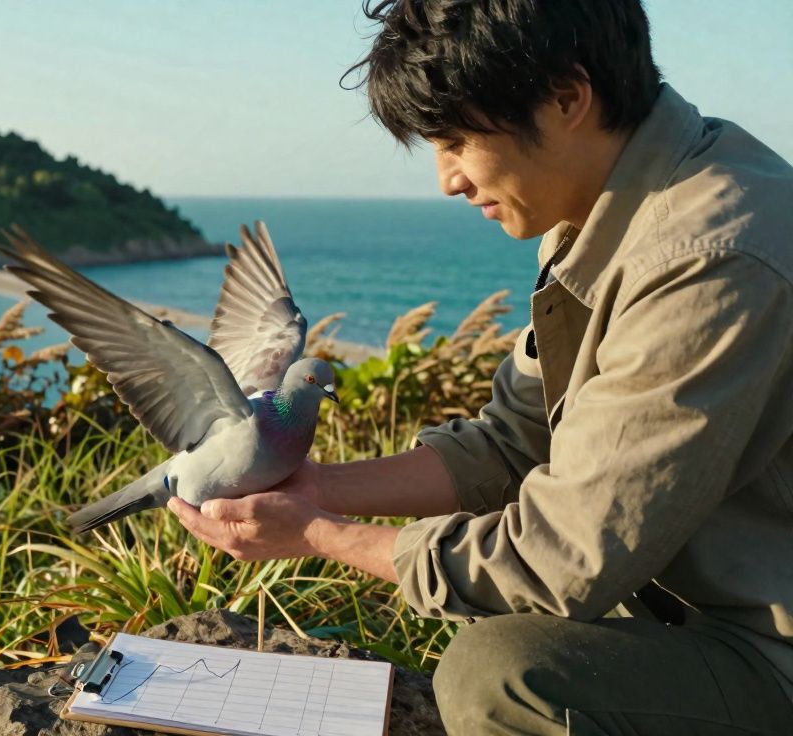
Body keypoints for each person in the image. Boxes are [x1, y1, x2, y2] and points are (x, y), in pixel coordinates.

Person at [166, 0, 793, 732]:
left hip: (771, 648)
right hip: (688, 611)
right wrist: (313, 490)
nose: (447, 180)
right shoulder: (606, 210)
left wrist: (319, 537)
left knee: (498, 676)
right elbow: (511, 441)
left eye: (457, 139)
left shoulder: (709, 261)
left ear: (566, 98)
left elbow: (564, 557)